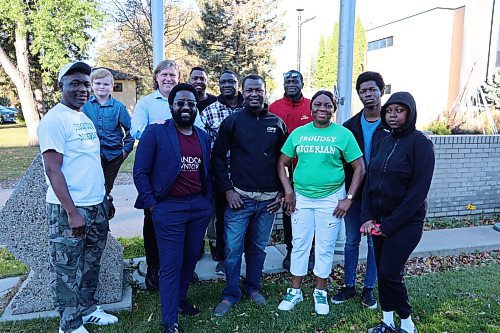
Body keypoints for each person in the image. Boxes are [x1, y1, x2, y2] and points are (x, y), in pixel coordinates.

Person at [38, 61, 118, 333]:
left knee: (91, 262)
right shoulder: (54, 120)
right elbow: (52, 169)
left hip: (95, 205)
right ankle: (69, 325)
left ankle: (87, 309)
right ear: (61, 86)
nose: (82, 89)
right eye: (75, 83)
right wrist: (72, 212)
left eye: (86, 83)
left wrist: (104, 198)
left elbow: (89, 164)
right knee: (66, 269)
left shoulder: (83, 118)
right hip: (70, 210)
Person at [276, 90, 365, 315]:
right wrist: (288, 190)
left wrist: (349, 198)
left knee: (324, 247)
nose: (322, 109)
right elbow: (282, 163)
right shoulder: (298, 133)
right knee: (300, 244)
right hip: (302, 197)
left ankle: (320, 291)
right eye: (317, 105)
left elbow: (359, 167)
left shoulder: (343, 134)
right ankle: (295, 291)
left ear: (334, 109)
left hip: (331, 198)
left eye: (327, 105)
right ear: (311, 107)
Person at [133, 83, 213, 333]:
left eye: (191, 103)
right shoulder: (155, 133)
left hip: (198, 207)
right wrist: (153, 205)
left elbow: (207, 172)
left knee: (190, 259)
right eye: (180, 103)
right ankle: (170, 321)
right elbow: (140, 172)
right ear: (171, 106)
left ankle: (180, 301)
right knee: (170, 263)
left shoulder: (203, 136)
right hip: (168, 208)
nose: (186, 107)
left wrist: (207, 203)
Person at [212, 74, 287, 316]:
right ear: (243, 92)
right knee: (233, 250)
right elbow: (218, 159)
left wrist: (284, 192)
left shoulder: (276, 123)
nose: (254, 94)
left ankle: (253, 287)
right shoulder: (232, 122)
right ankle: (231, 294)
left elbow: (286, 161)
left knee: (257, 248)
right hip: (239, 200)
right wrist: (227, 190)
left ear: (265, 92)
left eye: (259, 90)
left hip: (268, 202)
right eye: (250, 90)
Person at [360, 92, 435, 333]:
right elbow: (370, 181)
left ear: (410, 113)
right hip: (379, 221)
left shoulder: (420, 144)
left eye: (399, 110)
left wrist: (389, 225)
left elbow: (417, 193)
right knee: (383, 275)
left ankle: (407, 324)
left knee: (390, 273)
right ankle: (387, 322)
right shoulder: (382, 140)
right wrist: (367, 217)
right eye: (389, 110)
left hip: (405, 223)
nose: (393, 115)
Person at [130, 60, 203, 290]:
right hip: (157, 170)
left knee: (183, 227)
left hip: (185, 173)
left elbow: (197, 129)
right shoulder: (146, 102)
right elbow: (136, 129)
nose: (169, 78)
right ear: (156, 77)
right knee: (153, 224)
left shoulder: (187, 100)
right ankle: (154, 269)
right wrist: (160, 133)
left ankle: (182, 269)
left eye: (173, 74)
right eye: (164, 75)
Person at [332, 71, 390, 309]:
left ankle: (368, 288)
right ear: (359, 95)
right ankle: (348, 286)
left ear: (381, 91)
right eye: (363, 91)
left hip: (379, 196)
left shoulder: (391, 123)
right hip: (354, 194)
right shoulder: (349, 126)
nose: (368, 94)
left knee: (374, 242)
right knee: (351, 242)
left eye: (372, 90)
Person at [200, 70, 244, 275]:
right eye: (223, 81)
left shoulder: (250, 108)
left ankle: (241, 253)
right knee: (221, 215)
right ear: (218, 85)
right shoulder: (209, 111)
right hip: (221, 173)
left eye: (232, 81)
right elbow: (205, 144)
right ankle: (223, 256)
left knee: (244, 214)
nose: (228, 85)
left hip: (247, 173)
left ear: (238, 84)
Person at [269, 69, 313, 271]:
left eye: (296, 80)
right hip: (281, 168)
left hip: (307, 170)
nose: (291, 83)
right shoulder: (274, 107)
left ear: (302, 83)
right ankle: (291, 250)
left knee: (308, 213)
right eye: (287, 80)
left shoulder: (311, 106)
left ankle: (310, 251)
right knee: (289, 211)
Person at [83, 68, 134, 220]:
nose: (101, 87)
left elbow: (131, 131)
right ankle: (95, 215)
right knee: (93, 186)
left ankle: (103, 219)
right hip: (92, 155)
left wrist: (125, 151)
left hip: (113, 156)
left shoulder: (119, 108)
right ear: (91, 85)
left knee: (106, 187)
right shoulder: (85, 106)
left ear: (111, 86)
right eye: (97, 83)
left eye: (106, 84)